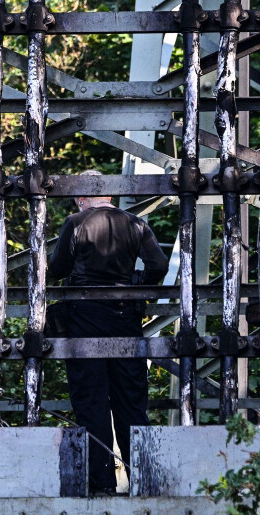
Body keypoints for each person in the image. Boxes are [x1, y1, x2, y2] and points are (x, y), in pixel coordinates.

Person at [48, 170, 169, 496]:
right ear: (111, 195)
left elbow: (56, 269)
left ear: (80, 197)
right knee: (131, 402)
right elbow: (158, 265)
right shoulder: (135, 223)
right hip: (126, 324)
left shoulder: (76, 222)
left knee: (92, 401)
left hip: (84, 324)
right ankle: (144, 481)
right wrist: (135, 286)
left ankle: (101, 484)